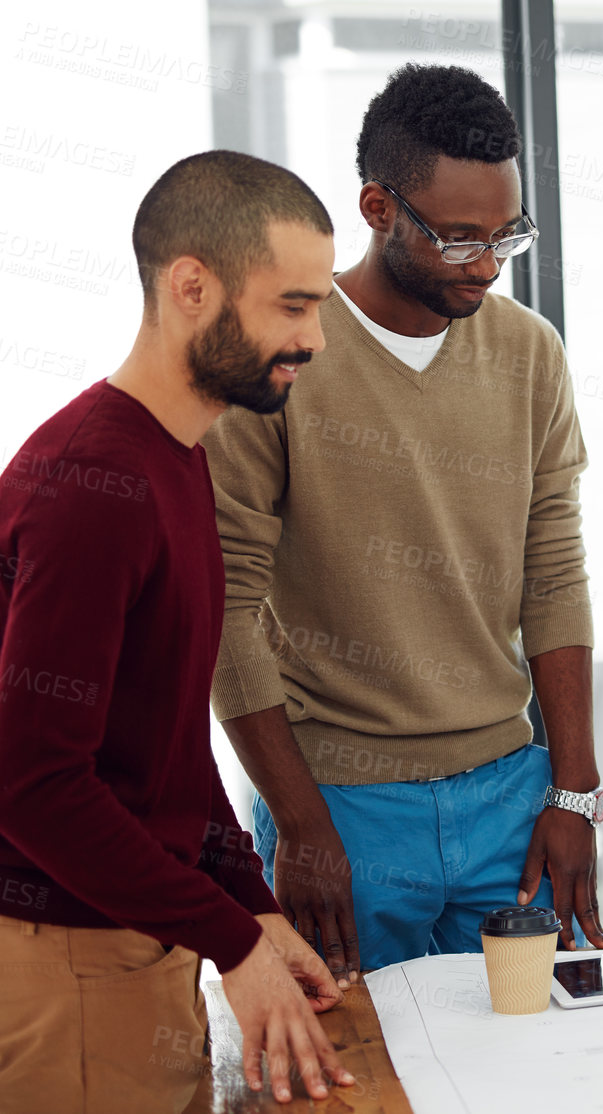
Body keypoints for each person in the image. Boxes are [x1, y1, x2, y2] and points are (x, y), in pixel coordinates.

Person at [204, 63, 603, 979]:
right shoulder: (281, 357)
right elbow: (224, 606)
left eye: (507, 233)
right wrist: (299, 825)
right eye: (460, 239)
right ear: (378, 208)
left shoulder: (530, 352)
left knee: (541, 1067)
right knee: (352, 1078)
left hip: (510, 792)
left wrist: (573, 793)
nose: (490, 263)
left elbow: (556, 572)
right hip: (338, 802)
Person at [0, 151, 353, 1109]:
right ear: (191, 286)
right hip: (69, 962)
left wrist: (252, 908)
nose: (315, 338)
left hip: (135, 945)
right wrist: (232, 939)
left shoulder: (178, 456)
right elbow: (32, 785)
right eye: (293, 305)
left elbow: (160, 747)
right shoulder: (90, 486)